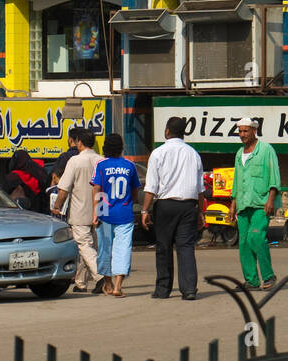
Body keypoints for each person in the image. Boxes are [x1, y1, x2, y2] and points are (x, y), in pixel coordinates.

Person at [141, 116, 205, 300]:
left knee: (164, 246)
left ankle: (163, 289)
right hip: (188, 206)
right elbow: (200, 189)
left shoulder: (158, 153)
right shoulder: (193, 154)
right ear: (183, 133)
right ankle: (189, 289)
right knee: (186, 247)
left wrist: (145, 210)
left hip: (165, 206)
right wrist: (200, 211)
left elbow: (151, 187)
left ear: (167, 131)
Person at [229, 117, 280, 290]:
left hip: (261, 203)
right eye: (240, 131)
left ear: (254, 131)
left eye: (245, 131)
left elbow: (274, 176)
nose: (242, 134)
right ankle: (251, 281)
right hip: (243, 204)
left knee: (256, 237)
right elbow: (237, 180)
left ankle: (269, 276)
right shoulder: (239, 153)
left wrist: (271, 200)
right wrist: (233, 205)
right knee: (244, 243)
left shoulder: (266, 150)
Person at [52, 128, 103, 294]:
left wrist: (57, 206)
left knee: (84, 246)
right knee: (89, 247)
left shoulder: (75, 161)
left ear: (79, 142)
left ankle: (101, 276)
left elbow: (64, 189)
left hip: (80, 211)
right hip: (99, 209)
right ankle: (81, 283)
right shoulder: (101, 160)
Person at [92, 134, 140, 297]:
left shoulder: (101, 165)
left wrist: (95, 212)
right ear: (121, 147)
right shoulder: (130, 165)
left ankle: (108, 284)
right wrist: (131, 202)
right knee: (123, 249)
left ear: (105, 147)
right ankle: (118, 286)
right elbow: (135, 190)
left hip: (104, 211)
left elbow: (97, 189)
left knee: (104, 249)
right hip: (124, 212)